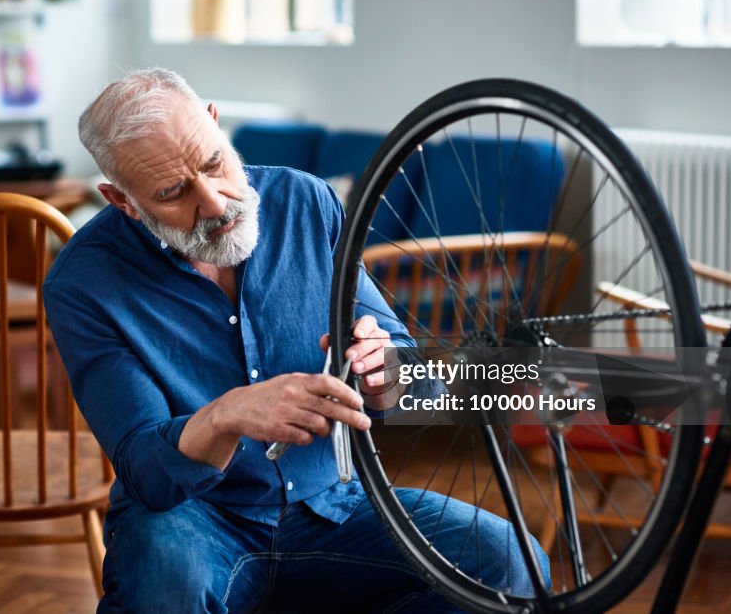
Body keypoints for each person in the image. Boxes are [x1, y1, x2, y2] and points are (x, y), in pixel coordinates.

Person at [43, 68, 549, 613]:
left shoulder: (307, 202)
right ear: (122, 200)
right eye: (172, 193)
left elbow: (418, 384)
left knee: (509, 560)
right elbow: (145, 469)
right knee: (168, 592)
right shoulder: (83, 282)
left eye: (214, 164)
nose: (214, 204)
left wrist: (386, 372)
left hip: (335, 506)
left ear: (215, 125)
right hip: (191, 518)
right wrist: (227, 415)